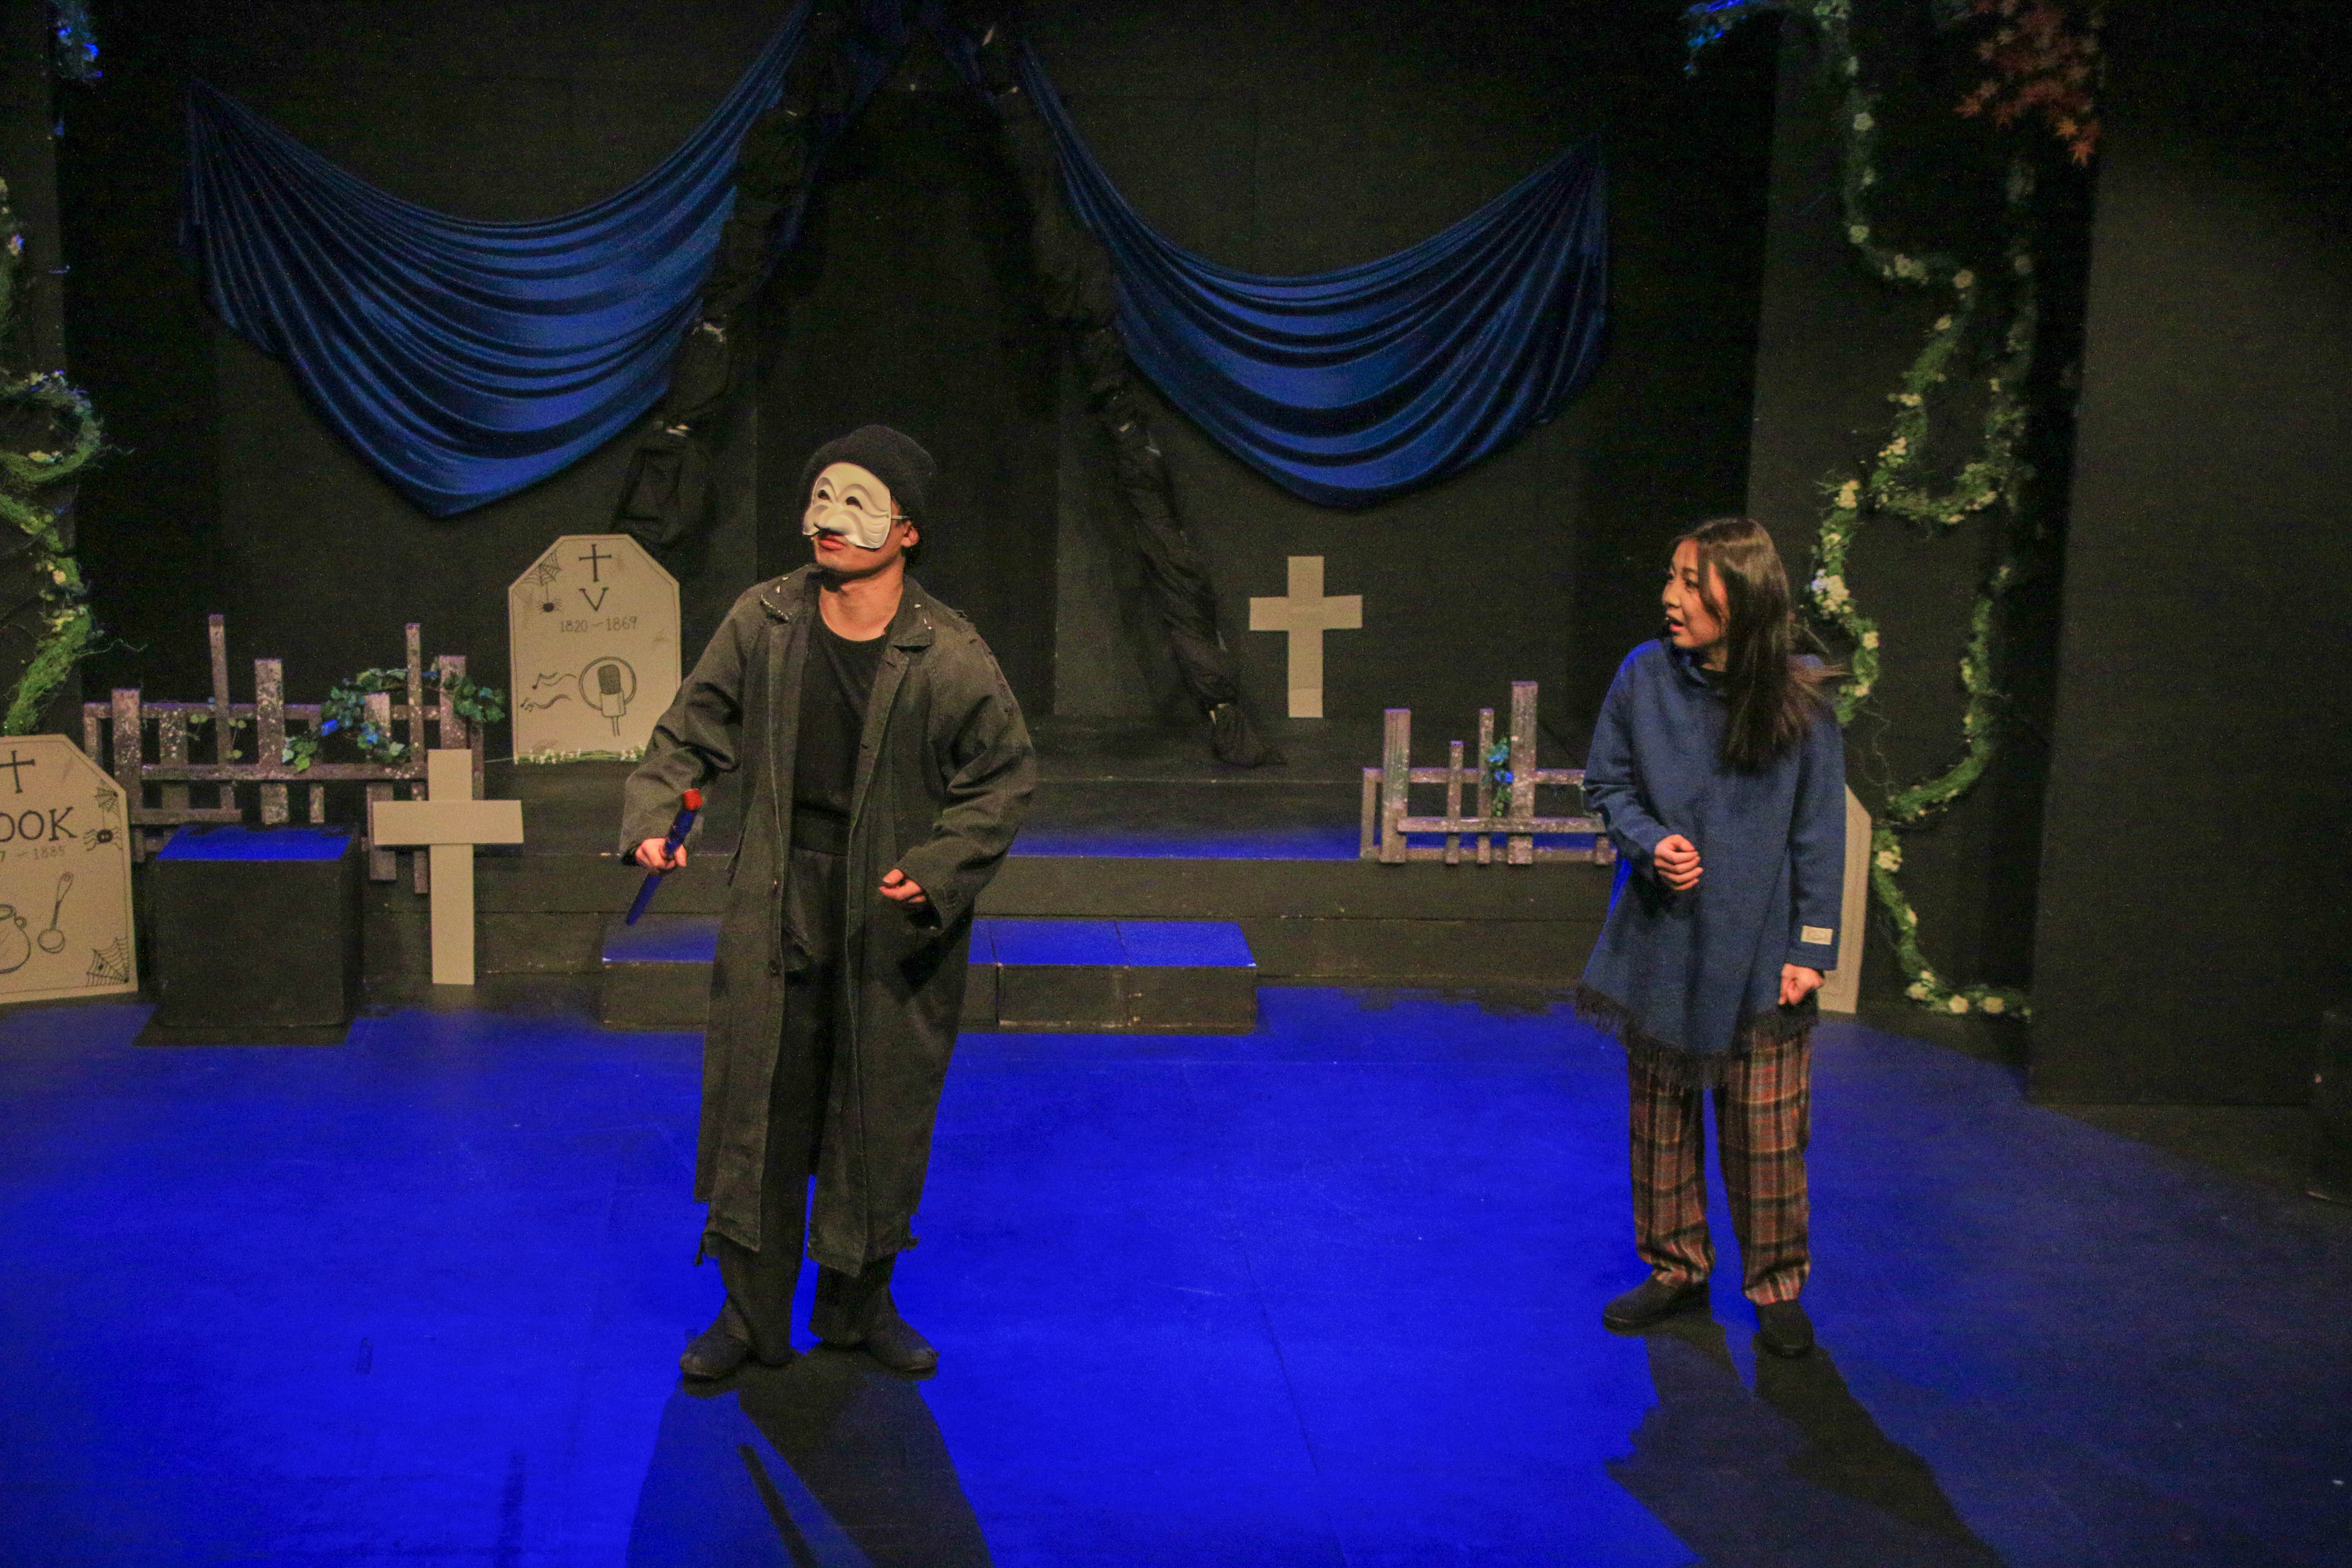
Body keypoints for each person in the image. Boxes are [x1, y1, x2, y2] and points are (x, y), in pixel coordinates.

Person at [619, 424, 1035, 1381]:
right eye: (821, 497)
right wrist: (655, 815)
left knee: (876, 1108)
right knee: (760, 1103)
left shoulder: (947, 651)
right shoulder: (765, 619)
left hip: (888, 908)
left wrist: (938, 868)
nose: (829, 518)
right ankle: (747, 1316)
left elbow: (1003, 779)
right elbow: (690, 731)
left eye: (858, 502)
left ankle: (859, 1306)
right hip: (780, 891)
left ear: (907, 530)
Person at [1575, 516, 1845, 1359]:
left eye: (1692, 582)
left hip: (1762, 950)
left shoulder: (1799, 694)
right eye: (1672, 576)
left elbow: (1819, 831)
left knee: (1767, 1135)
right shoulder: (1645, 676)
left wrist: (1813, 948)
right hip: (1663, 938)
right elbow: (1607, 784)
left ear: (1745, 596)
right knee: (1661, 1123)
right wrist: (1649, 842)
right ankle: (1676, 1266)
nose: (1671, 596)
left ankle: (1777, 1284)